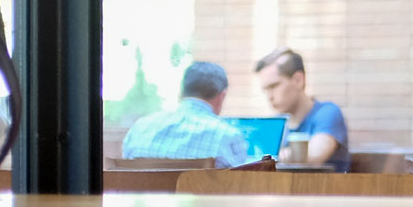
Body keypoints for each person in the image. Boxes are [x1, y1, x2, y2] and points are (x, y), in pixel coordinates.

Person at [121, 61, 250, 167]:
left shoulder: (140, 128)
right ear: (221, 97)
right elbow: (241, 189)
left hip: (145, 199)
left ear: (181, 93)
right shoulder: (228, 136)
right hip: (202, 199)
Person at [254, 47, 348, 172]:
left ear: (298, 80)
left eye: (274, 86)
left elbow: (313, 157)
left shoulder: (328, 113)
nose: (269, 96)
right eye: (266, 89)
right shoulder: (277, 122)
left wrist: (277, 156)